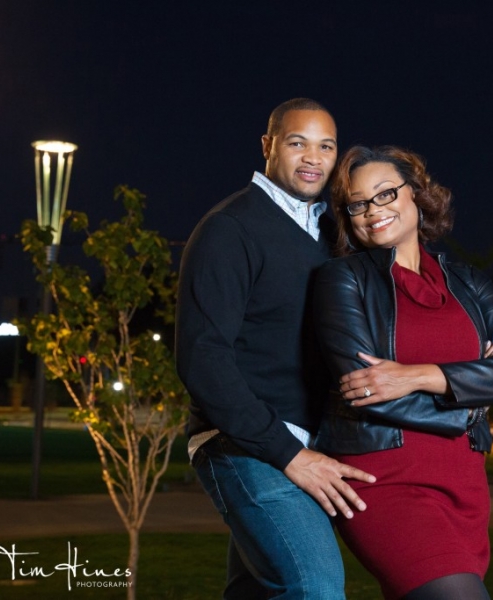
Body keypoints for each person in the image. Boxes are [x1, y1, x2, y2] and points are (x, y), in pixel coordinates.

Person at [175, 99, 375, 599]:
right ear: (268, 146)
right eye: (297, 142)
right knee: (315, 588)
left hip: (306, 446)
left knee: (259, 592)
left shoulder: (330, 234)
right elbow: (203, 359)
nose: (313, 157)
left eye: (325, 146)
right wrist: (292, 455)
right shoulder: (231, 229)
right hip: (247, 444)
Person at [313, 145, 493, 600]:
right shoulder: (343, 279)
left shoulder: (470, 283)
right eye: (358, 203)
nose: (374, 211)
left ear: (415, 195)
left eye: (386, 193)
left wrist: (418, 375)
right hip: (382, 480)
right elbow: (366, 388)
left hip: (465, 484)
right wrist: (471, 399)